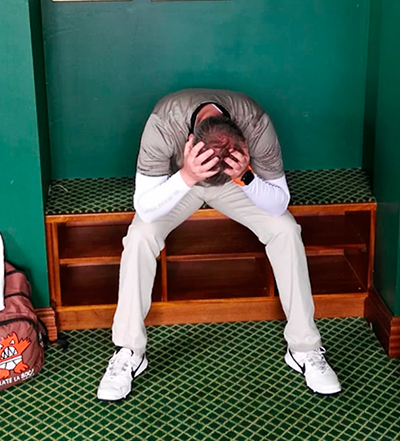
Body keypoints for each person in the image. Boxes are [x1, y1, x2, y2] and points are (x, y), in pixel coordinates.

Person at [97, 89, 342, 401]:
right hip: (179, 183)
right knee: (139, 237)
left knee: (286, 230)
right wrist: (187, 176)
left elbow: (279, 203)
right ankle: (129, 350)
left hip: (234, 183)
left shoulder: (256, 124)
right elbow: (145, 208)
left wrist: (246, 177)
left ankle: (304, 348)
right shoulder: (163, 124)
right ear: (190, 142)